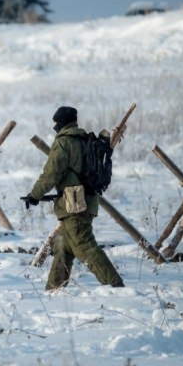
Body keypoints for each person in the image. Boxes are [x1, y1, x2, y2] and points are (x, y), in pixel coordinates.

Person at [23, 106, 124, 290]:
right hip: (86, 202)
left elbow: (51, 174)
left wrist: (34, 195)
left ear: (61, 123)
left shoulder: (63, 142)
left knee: (85, 246)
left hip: (75, 206)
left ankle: (115, 286)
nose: (54, 127)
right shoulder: (85, 140)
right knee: (63, 247)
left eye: (56, 123)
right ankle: (54, 290)